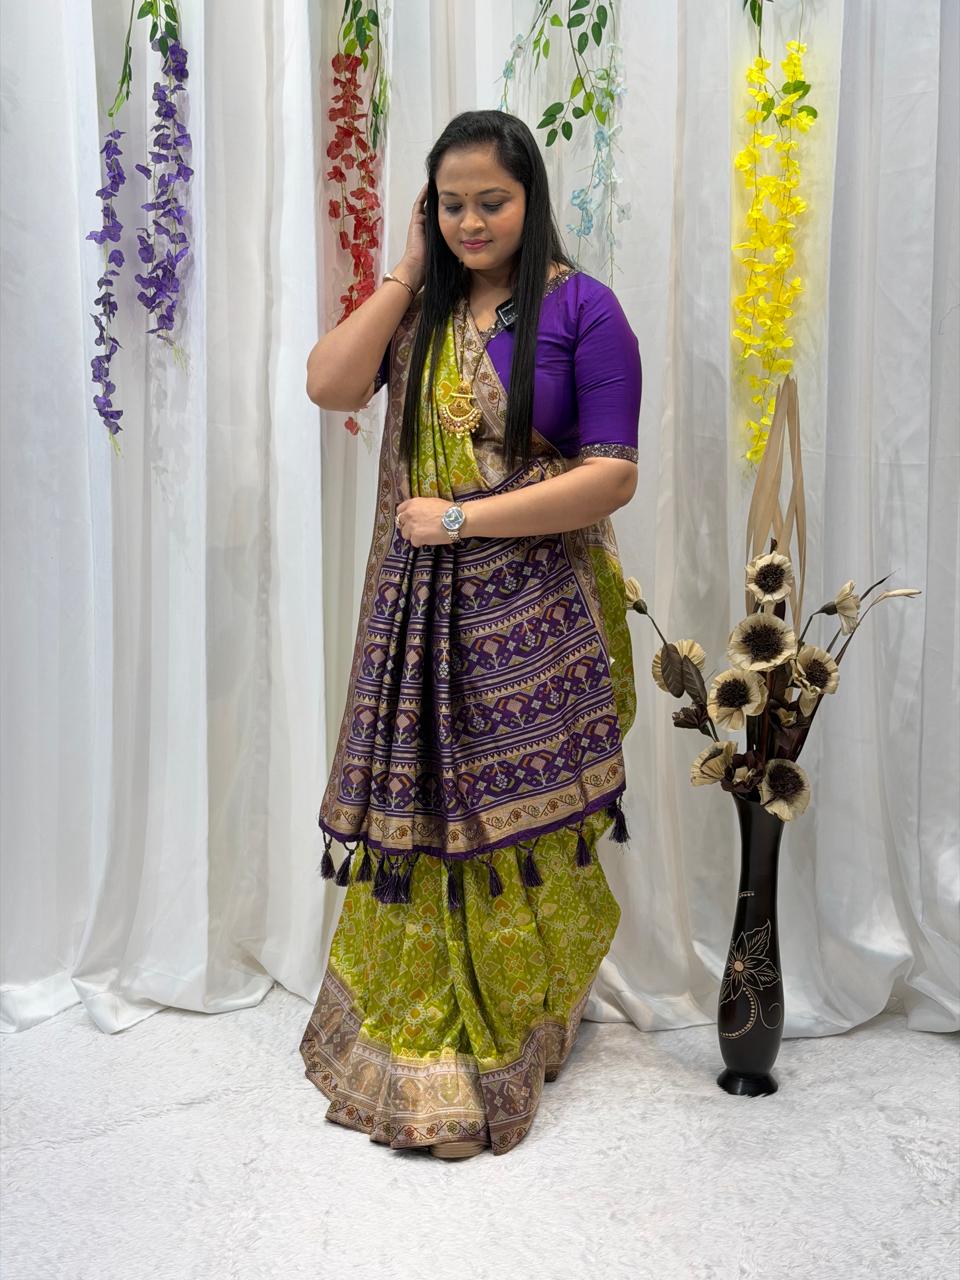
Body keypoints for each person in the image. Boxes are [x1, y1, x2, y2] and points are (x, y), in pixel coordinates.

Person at [299, 109, 642, 1159]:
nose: (471, 221)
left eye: (491, 201)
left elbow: (611, 477)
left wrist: (459, 519)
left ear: (530, 198)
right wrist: (407, 269)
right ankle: (424, 1050)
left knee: (515, 839)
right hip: (418, 621)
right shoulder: (422, 310)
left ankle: (512, 1031)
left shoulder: (583, 309)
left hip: (535, 621)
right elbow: (328, 383)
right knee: (424, 823)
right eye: (451, 204)